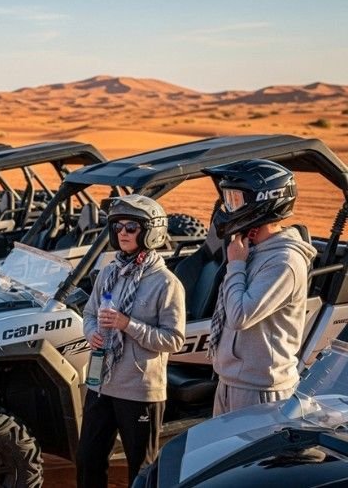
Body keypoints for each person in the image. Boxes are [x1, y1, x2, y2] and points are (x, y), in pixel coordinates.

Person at [77, 195, 186, 488]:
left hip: (139, 391)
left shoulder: (166, 283)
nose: (123, 233)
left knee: (141, 471)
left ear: (150, 231)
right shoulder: (108, 272)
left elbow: (174, 339)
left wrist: (128, 325)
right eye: (118, 227)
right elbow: (89, 313)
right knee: (87, 460)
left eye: (131, 227)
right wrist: (91, 332)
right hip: (100, 383)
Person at [203, 159, 316, 416]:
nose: (229, 207)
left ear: (264, 200)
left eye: (235, 199)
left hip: (260, 390)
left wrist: (236, 265)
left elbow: (240, 316)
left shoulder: (284, 262)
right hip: (231, 382)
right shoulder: (252, 250)